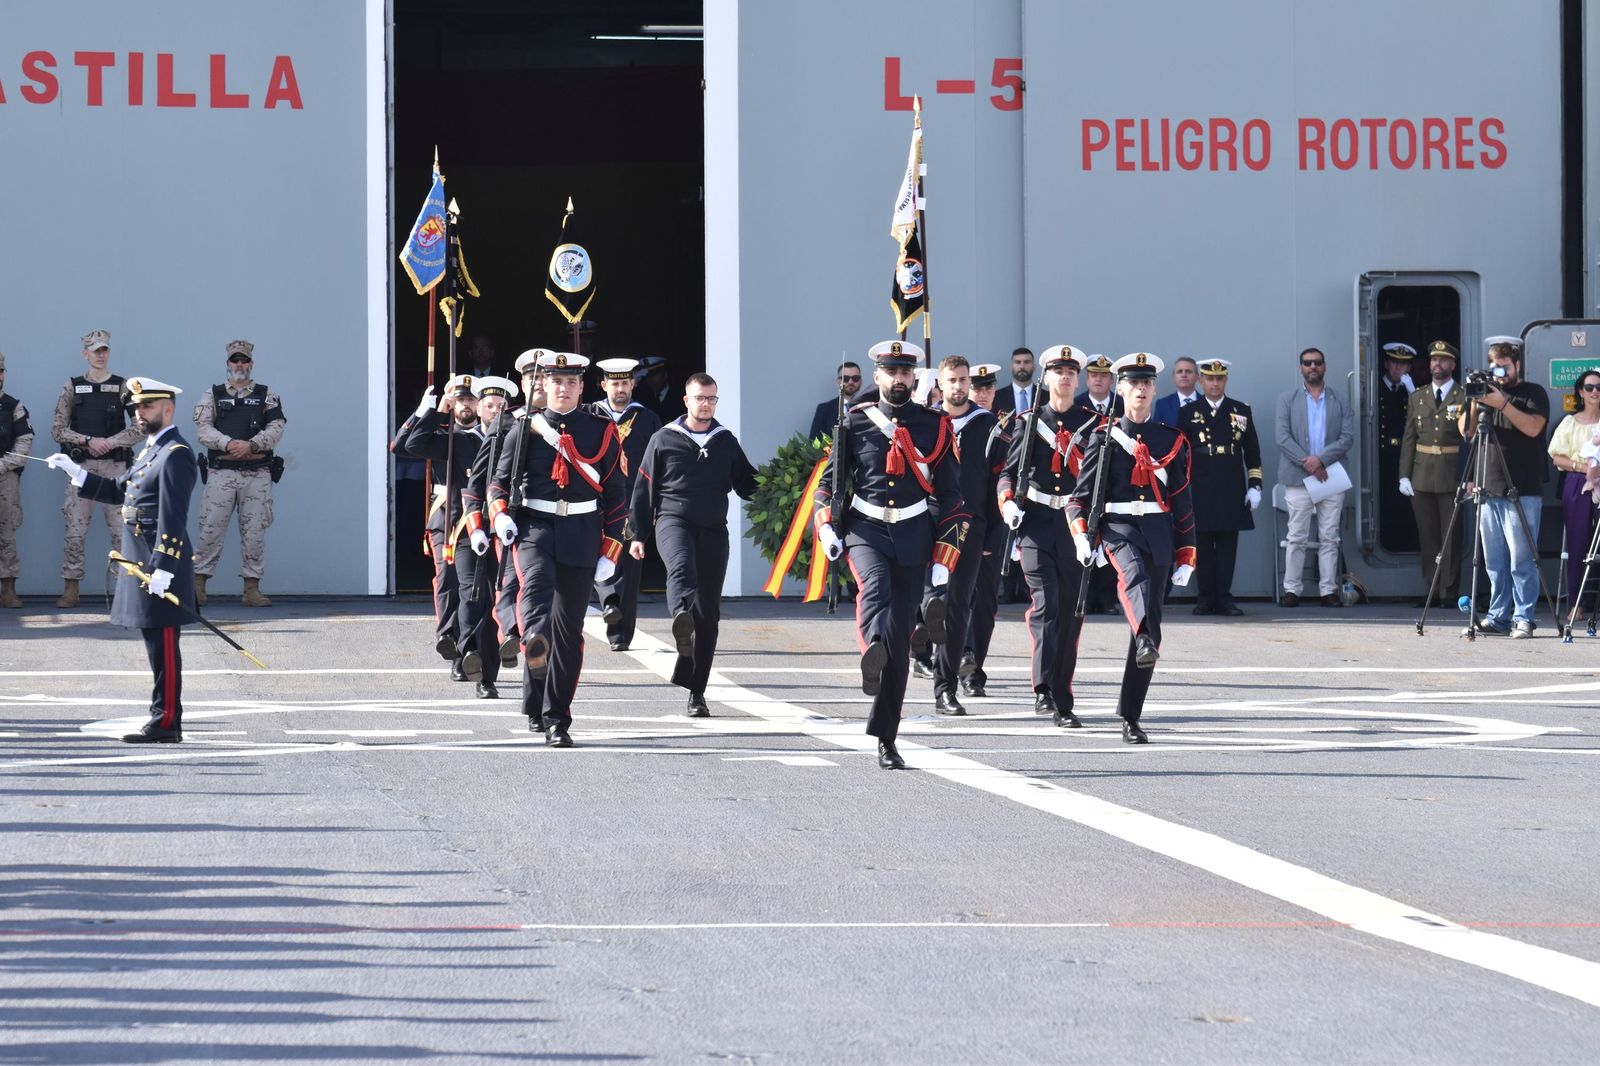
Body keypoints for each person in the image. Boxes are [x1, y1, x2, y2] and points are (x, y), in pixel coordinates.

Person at [813, 340, 968, 769]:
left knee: (900, 642)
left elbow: (953, 496)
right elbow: (829, 484)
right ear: (876, 376)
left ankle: (887, 738)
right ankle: (870, 648)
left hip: (915, 532)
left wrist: (944, 555)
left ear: (915, 378)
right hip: (866, 528)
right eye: (890, 371)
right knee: (874, 589)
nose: (898, 379)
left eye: (905, 372)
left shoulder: (936, 426)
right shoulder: (855, 423)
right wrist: (826, 525)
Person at [44, 378, 198, 742]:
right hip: (142, 561)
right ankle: (162, 717)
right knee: (154, 644)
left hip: (159, 564)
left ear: (168, 408)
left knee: (164, 646)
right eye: (136, 408)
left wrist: (164, 566)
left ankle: (166, 723)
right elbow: (119, 492)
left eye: (146, 406)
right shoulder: (150, 451)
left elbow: (173, 516)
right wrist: (77, 472)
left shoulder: (176, 453)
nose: (139, 413)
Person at [488, 351, 627, 747]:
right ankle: (533, 637)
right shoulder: (523, 428)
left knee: (569, 631)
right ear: (542, 385)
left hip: (582, 531)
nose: (562, 388)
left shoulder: (601, 431)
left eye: (570, 382)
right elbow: (498, 483)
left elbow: (617, 491)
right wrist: (500, 516)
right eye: (555, 381)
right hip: (535, 527)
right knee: (535, 593)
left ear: (582, 387)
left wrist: (611, 547)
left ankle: (555, 717)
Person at [1066, 353, 1196, 744]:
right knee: (1134, 577)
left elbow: (1183, 498)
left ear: (1155, 388)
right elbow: (1079, 497)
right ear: (1119, 388)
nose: (1140, 389)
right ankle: (1143, 637)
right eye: (1133, 383)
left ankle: (1131, 715)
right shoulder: (1102, 438)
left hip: (1158, 530)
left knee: (1151, 623)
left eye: (1146, 382)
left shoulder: (1171, 439)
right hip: (1118, 528)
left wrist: (1187, 551)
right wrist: (1081, 536)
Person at [629, 373, 759, 716]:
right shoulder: (664, 439)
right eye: (700, 398)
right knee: (681, 568)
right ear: (686, 400)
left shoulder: (725, 441)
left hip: (714, 529)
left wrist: (787, 490)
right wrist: (637, 535)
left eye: (712, 399)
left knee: (709, 615)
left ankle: (696, 692)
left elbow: (748, 484)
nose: (706, 404)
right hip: (673, 520)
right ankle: (680, 618)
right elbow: (645, 488)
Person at [997, 344, 1096, 726]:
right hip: (1037, 523)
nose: (1066, 377)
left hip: (1075, 529)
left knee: (1071, 613)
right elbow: (1008, 472)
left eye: (1071, 371)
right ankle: (1043, 689)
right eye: (1058, 371)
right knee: (1046, 605)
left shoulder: (1092, 423)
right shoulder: (1028, 421)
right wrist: (1007, 502)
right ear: (1047, 377)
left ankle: (1062, 694)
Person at [1456, 337, 1549, 637]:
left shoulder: (1531, 393)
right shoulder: (1485, 392)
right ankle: (1498, 616)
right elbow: (1465, 432)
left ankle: (1524, 617)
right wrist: (1475, 399)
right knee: (1494, 561)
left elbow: (1533, 427)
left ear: (1517, 364)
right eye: (1495, 367)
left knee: (1522, 559)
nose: (1500, 373)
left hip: (1521, 488)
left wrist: (1503, 403)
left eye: (1505, 367)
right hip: (1487, 487)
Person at [919, 355, 996, 716]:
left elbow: (998, 483)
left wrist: (993, 540)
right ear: (940, 383)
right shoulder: (926, 421)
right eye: (951, 380)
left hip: (971, 525)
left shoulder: (987, 426)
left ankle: (945, 688)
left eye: (964, 380)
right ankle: (918, 637)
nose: (959, 386)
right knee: (930, 599)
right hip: (930, 521)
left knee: (957, 607)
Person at [50, 329, 144, 608]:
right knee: (75, 530)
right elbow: (57, 429)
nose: (100, 355)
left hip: (116, 468)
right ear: (85, 354)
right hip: (82, 469)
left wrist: (110, 442)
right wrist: (88, 440)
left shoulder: (124, 387)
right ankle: (71, 588)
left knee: (123, 530)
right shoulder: (72, 386)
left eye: (104, 350)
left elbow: (141, 425)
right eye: (95, 351)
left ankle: (126, 591)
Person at [191, 340, 287, 608]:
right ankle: (198, 585)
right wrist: (228, 443)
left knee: (255, 532)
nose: (240, 365)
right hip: (222, 473)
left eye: (244, 360)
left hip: (257, 474)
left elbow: (277, 427)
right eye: (235, 360)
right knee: (210, 529)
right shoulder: (213, 394)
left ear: (251, 363)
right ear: (228, 364)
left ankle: (251, 589)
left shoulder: (267, 395)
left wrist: (252, 445)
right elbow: (202, 428)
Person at [404, 373, 486, 680]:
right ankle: (449, 639)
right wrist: (430, 411)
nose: (465, 406)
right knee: (446, 580)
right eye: (460, 400)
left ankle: (468, 647)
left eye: (470, 400)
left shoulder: (489, 436)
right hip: (446, 518)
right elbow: (404, 445)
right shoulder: (442, 436)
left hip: (479, 519)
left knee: (473, 588)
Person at [450, 375, 519, 699]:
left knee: (494, 598)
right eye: (488, 406)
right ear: (478, 408)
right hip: (471, 529)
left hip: (504, 529)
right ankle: (467, 650)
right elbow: (473, 487)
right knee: (471, 593)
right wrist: (476, 525)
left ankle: (486, 675)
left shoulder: (518, 434)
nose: (494, 411)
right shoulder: (476, 437)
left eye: (500, 406)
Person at [1178, 359, 1262, 615]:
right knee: (1201, 545)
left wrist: (1255, 485)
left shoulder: (1241, 410)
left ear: (1226, 380)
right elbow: (1181, 453)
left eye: (1219, 378)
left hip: (1230, 484)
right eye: (1209, 379)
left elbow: (1253, 452)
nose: (1214, 383)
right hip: (1201, 485)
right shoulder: (1188, 412)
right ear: (1201, 381)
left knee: (1227, 546)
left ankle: (1224, 598)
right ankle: (1204, 598)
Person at [1274, 346, 1355, 606]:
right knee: (1296, 535)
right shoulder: (1288, 399)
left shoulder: (1340, 399)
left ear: (1325, 366)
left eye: (1317, 363)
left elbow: (1347, 438)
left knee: (1330, 536)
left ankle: (1328, 591)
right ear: (1301, 367)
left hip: (1331, 476)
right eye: (1307, 363)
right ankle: (1291, 590)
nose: (1312, 367)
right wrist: (1309, 463)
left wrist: (1321, 460)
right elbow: (1282, 438)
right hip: (1298, 477)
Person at [591, 358, 662, 651]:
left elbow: (658, 464)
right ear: (604, 385)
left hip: (632, 502)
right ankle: (609, 600)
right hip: (595, 502)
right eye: (614, 383)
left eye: (625, 383)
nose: (620, 389)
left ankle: (621, 635)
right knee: (598, 558)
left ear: (633, 384)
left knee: (629, 570)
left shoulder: (648, 419)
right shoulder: (590, 415)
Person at [1399, 340, 1466, 606]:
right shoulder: (1418, 397)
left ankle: (1448, 592)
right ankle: (1431, 591)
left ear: (1452, 364)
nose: (1437, 364)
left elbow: (1468, 440)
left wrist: (1468, 476)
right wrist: (1403, 475)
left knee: (1451, 536)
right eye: (1433, 360)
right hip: (1422, 474)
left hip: (1452, 473)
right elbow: (1409, 438)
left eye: (1443, 359)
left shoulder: (1464, 396)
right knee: (1428, 538)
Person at [960, 363, 1009, 698]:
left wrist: (995, 535)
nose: (982, 393)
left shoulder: (1001, 427)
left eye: (987, 388)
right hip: (954, 523)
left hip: (990, 525)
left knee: (985, 602)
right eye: (976, 388)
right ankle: (958, 656)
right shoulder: (951, 423)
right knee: (954, 597)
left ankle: (974, 666)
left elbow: (1003, 483)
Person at [1548, 368, 1600, 612]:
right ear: (1580, 391)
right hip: (1577, 482)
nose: (1595, 392)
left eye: (1599, 387)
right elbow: (1557, 457)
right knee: (1578, 542)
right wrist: (1582, 466)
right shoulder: (1569, 422)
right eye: (1589, 387)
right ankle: (1576, 604)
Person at [1378, 342, 1420, 553]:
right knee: (1385, 503)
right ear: (1386, 363)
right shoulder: (1376, 387)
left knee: (1404, 506)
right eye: (1394, 363)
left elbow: (1422, 420)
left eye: (1403, 365)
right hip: (1381, 456)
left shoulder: (1413, 392)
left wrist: (1412, 391)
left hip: (1406, 456)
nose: (1398, 369)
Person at [0, 352, 35, 609]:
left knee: (6, 533)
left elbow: (24, 443)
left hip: (5, 478)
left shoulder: (13, 406)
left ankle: (8, 588)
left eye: (0, 371)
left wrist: (1, 465)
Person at [808, 362, 863, 442]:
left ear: (861, 381)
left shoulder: (871, 407)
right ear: (838, 381)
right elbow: (814, 441)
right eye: (845, 378)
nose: (850, 382)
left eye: (855, 378)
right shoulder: (824, 409)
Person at [1153, 356, 1201, 426]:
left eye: (1188, 371)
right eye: (1179, 371)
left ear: (1197, 377)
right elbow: (1156, 433)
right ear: (1173, 377)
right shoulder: (1162, 405)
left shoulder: (1208, 403)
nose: (1184, 375)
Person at [636, 356, 685, 423]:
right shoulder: (644, 398)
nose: (650, 379)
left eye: (654, 375)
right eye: (647, 376)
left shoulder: (680, 397)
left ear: (665, 375)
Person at [1075, 355, 1124, 419]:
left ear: (1112, 380)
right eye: (1094, 375)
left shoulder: (1123, 405)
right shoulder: (1076, 405)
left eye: (1104, 376)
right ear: (1087, 379)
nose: (1098, 379)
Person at [992, 347, 1036, 416]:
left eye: (1026, 362)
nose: (1022, 366)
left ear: (1034, 366)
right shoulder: (996, 397)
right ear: (1011, 367)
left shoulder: (1046, 397)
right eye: (1018, 362)